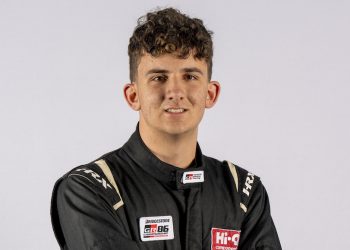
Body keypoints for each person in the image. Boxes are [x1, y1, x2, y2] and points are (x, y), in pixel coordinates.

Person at [50, 7, 282, 250]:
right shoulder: (89, 189)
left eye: (190, 77)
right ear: (133, 95)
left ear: (210, 94)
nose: (175, 92)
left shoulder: (242, 192)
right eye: (158, 77)